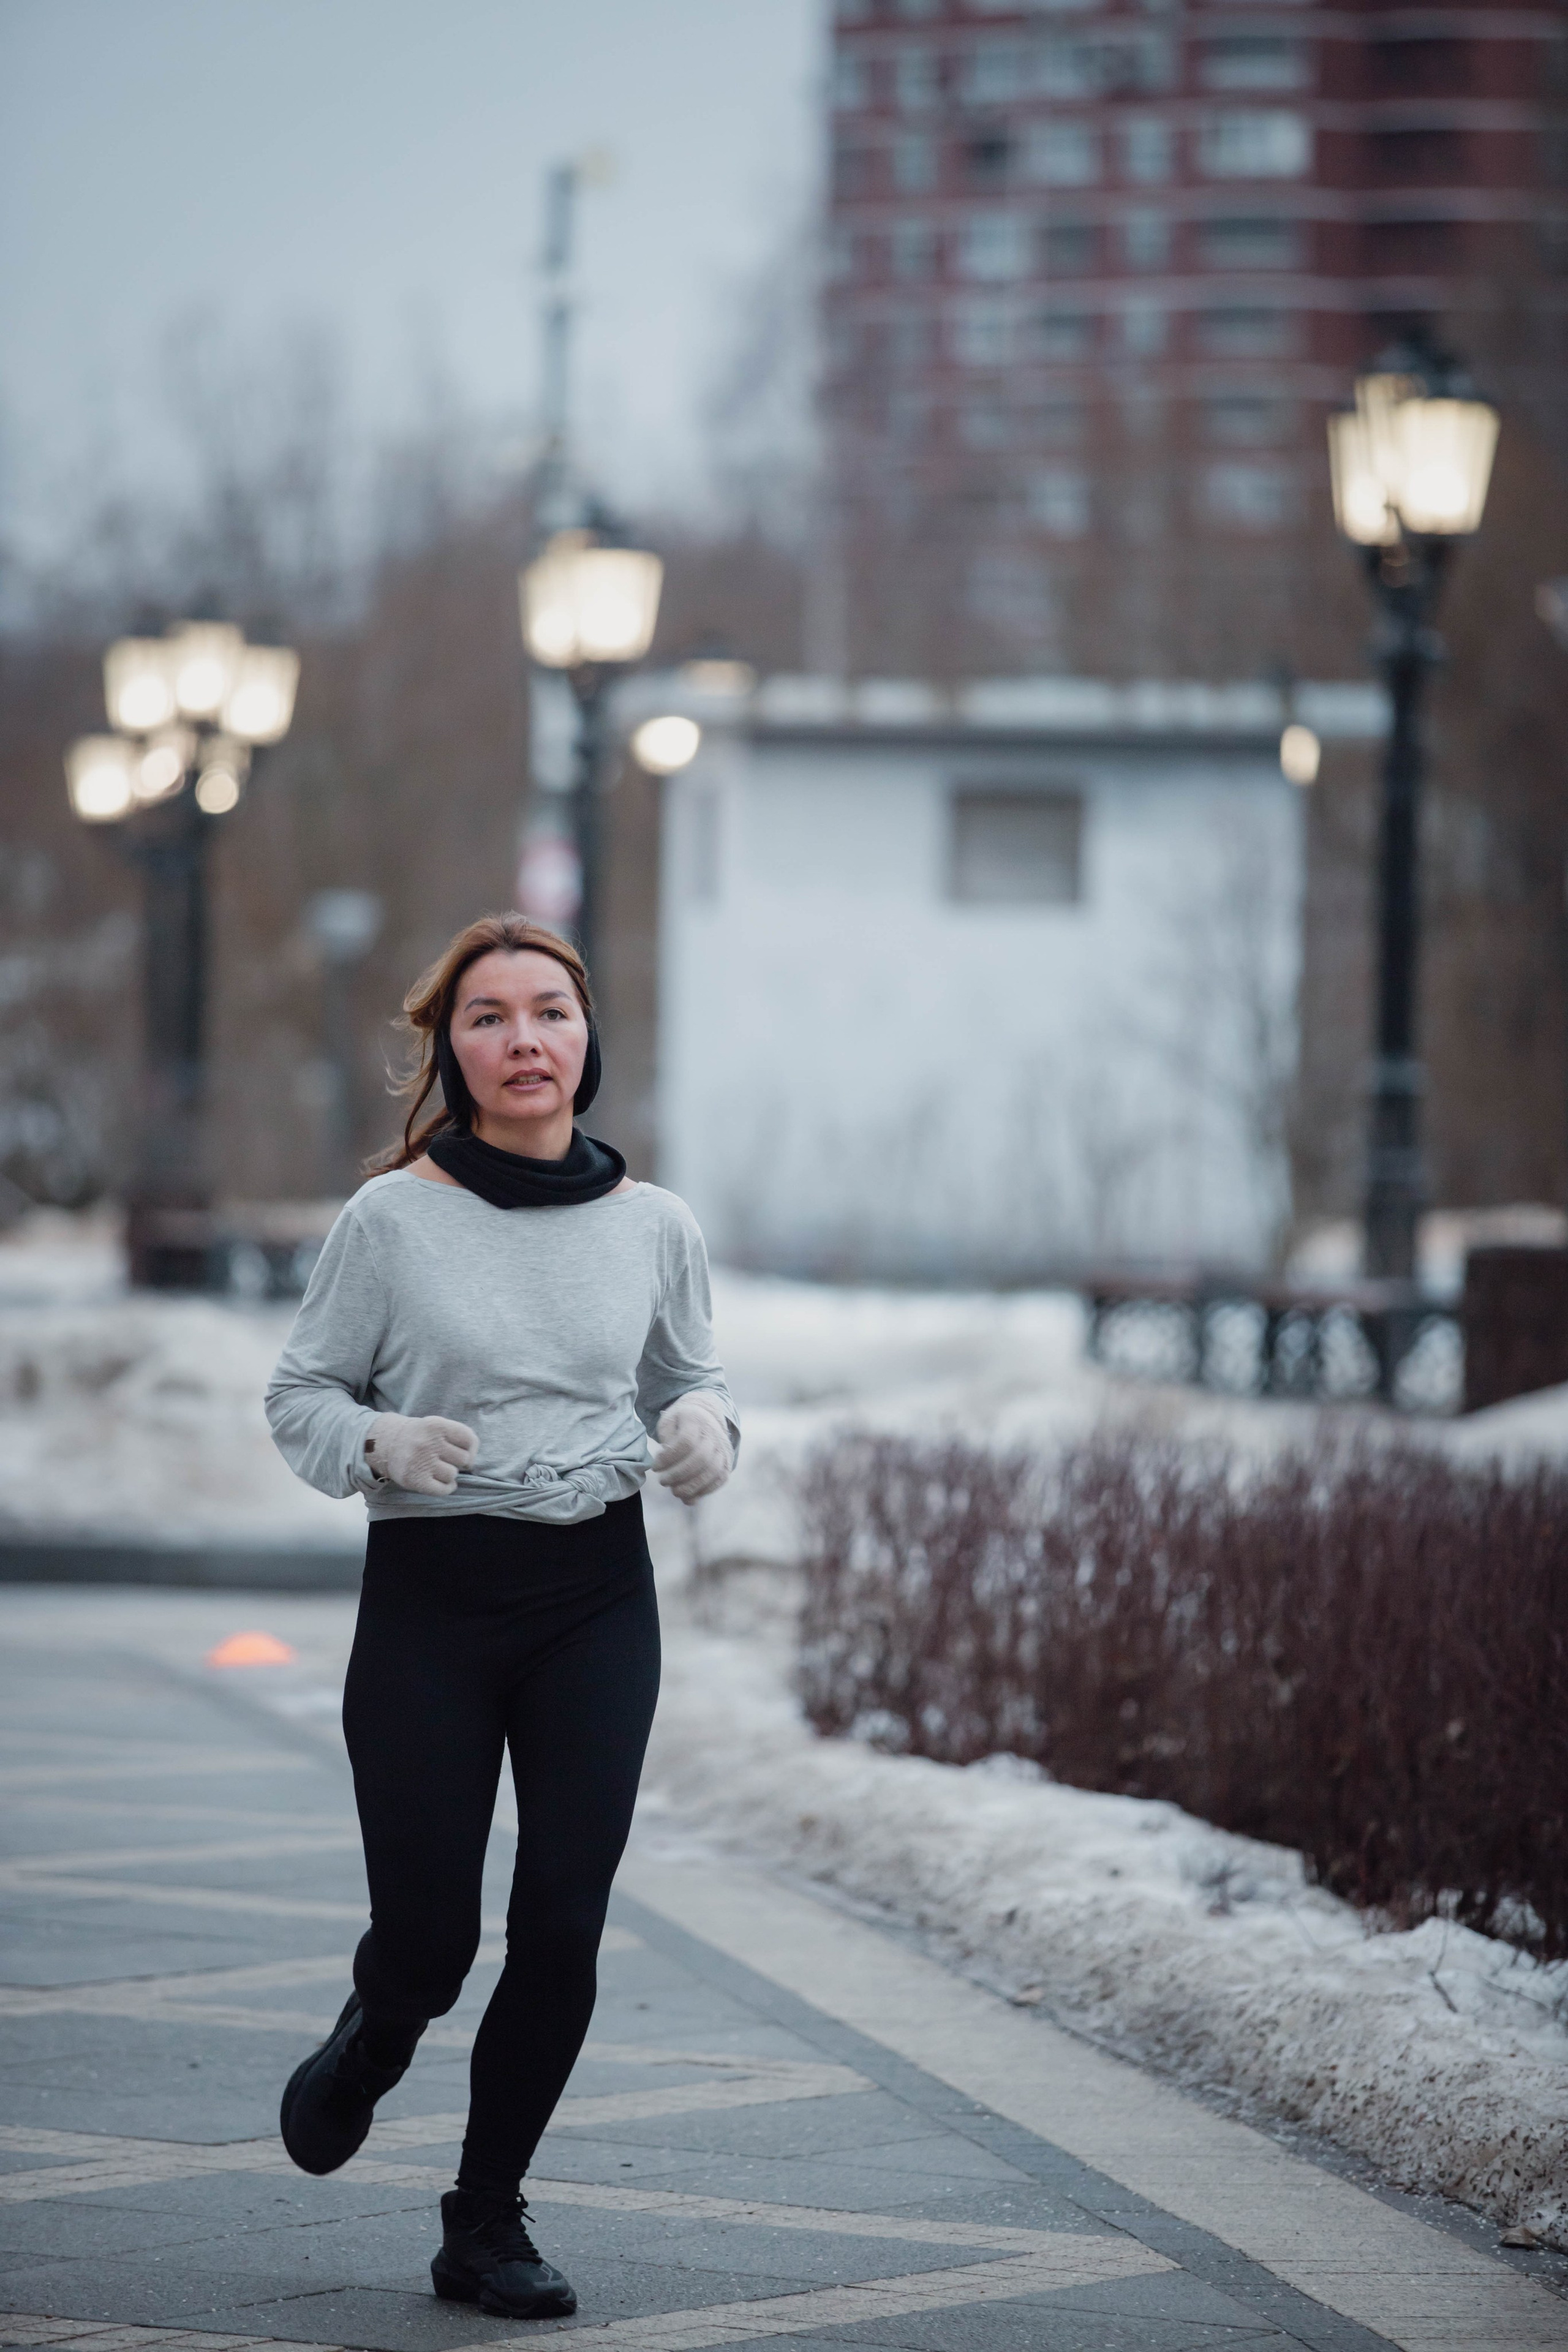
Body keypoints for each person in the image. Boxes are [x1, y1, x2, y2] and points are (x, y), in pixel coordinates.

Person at [264, 911, 737, 2321]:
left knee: (564, 1926)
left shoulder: (655, 1226)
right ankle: (377, 2028)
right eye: (488, 1017)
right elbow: (300, 1395)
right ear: (450, 1051)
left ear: (587, 1041)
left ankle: (485, 2220)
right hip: (432, 1601)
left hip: (595, 1593)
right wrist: (375, 1447)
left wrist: (709, 1419)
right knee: (430, 1938)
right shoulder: (391, 1219)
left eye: (550, 1012)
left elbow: (683, 1376)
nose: (523, 1039)